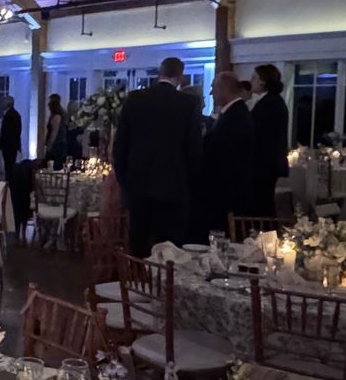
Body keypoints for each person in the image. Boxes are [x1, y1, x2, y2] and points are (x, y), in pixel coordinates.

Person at [112, 57, 203, 255]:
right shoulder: (187, 103)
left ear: (159, 72)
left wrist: (125, 182)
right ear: (179, 77)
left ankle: (137, 282)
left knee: (139, 243)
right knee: (170, 249)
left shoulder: (135, 99)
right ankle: (164, 284)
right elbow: (193, 150)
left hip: (138, 186)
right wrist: (189, 184)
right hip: (174, 189)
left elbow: (120, 147)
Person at [202, 71, 252, 233]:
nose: (211, 93)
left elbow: (223, 154)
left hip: (227, 190)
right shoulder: (234, 113)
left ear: (224, 89)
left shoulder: (236, 117)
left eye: (213, 88)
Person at [247, 64, 289, 218]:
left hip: (263, 163)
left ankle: (266, 237)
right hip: (268, 163)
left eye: (254, 78)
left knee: (262, 205)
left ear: (263, 81)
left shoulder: (269, 104)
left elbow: (260, 135)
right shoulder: (274, 101)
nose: (251, 81)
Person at [0, 95, 22, 181]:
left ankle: (9, 184)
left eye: (3, 102)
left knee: (9, 167)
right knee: (8, 166)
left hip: (9, 146)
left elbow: (10, 132)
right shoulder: (13, 114)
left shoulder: (11, 115)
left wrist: (3, 143)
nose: (1, 103)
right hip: (11, 145)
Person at [43, 95, 69, 168]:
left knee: (53, 165)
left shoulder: (56, 116)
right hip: (59, 144)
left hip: (57, 145)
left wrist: (49, 145)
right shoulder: (58, 115)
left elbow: (54, 132)